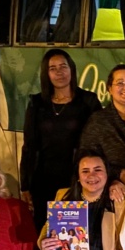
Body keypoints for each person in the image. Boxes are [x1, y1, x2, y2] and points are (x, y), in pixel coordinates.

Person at [20, 49, 103, 231]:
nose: (59, 72)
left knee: (74, 233)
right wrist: (24, 185)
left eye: (63, 66)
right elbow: (29, 146)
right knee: (46, 232)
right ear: (46, 74)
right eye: (53, 68)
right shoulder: (37, 103)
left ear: (71, 69)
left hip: (77, 179)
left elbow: (99, 142)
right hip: (43, 180)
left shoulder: (88, 101)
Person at [79, 64, 125, 193]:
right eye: (119, 83)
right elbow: (85, 157)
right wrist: (119, 173)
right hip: (113, 189)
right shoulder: (98, 120)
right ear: (109, 88)